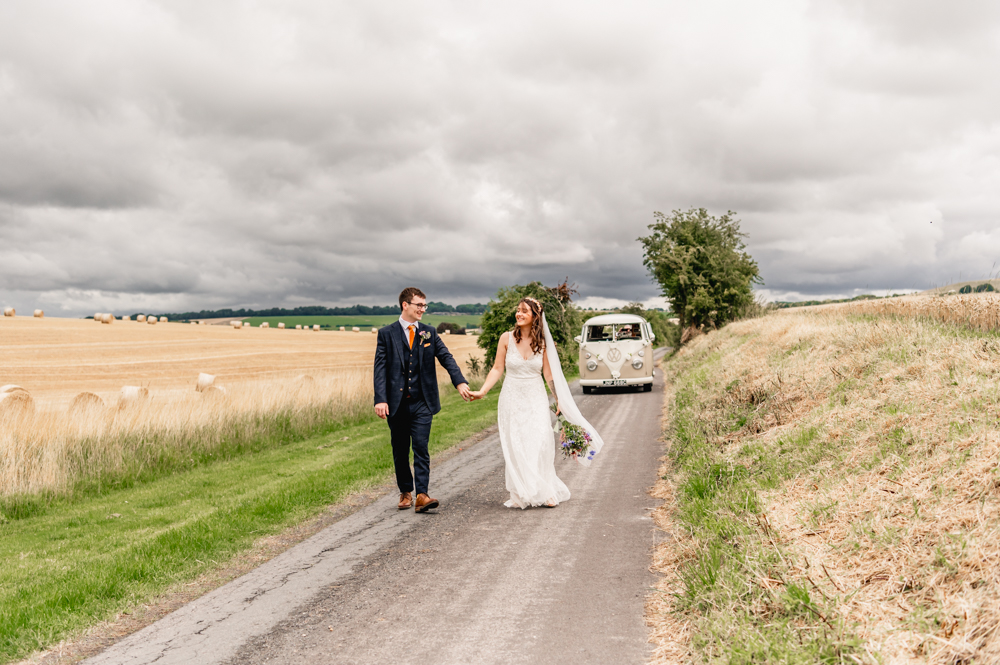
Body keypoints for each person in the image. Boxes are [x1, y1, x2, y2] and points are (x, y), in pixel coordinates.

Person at [469, 297, 604, 508]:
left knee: (540, 441)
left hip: (535, 396)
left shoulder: (543, 343)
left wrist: (559, 400)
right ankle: (520, 493)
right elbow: (497, 368)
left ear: (535, 316)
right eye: (518, 310)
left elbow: (548, 375)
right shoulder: (505, 338)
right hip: (511, 397)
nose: (519, 314)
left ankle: (545, 490)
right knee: (516, 444)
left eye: (524, 311)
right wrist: (482, 391)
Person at [374, 287, 472, 513]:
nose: (422, 309)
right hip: (396, 404)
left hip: (422, 403)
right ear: (405, 305)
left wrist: (459, 381)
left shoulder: (429, 332)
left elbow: (446, 357)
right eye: (419, 305)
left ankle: (422, 495)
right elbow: (380, 369)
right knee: (400, 450)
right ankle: (406, 491)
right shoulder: (386, 334)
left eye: (424, 305)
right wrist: (381, 399)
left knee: (420, 447)